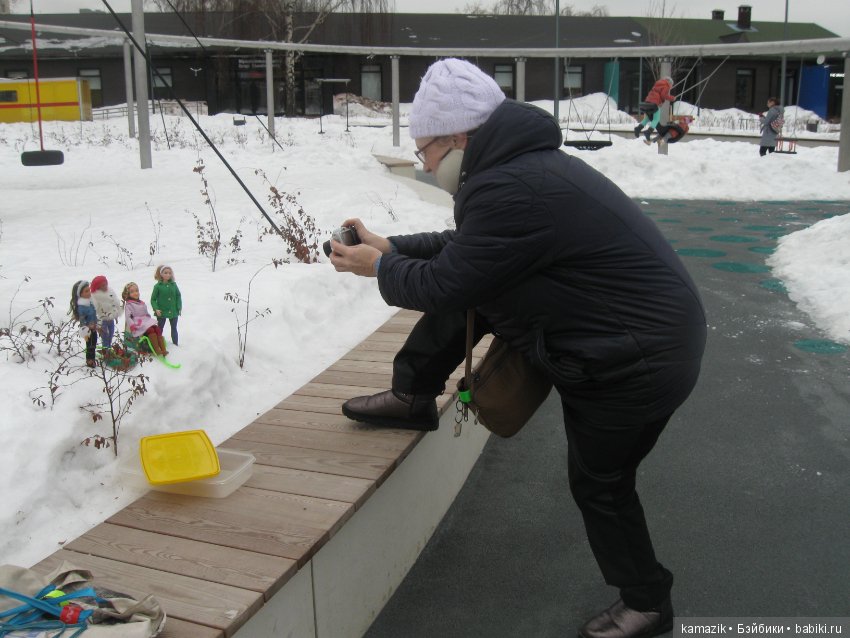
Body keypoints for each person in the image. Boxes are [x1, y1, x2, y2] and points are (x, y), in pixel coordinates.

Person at [329, 58, 706, 638]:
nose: (425, 165)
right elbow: (470, 250)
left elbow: (444, 280)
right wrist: (393, 245)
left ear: (457, 138)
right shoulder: (516, 169)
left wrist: (379, 266)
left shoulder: (512, 186)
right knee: (472, 281)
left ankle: (649, 600)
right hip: (627, 332)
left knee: (600, 484)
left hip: (636, 359)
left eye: (425, 151)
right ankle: (413, 395)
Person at [121, 282, 168, 357]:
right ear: (128, 294)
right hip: (138, 322)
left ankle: (163, 349)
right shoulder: (129, 305)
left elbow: (146, 313)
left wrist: (149, 319)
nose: (135, 293)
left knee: (156, 329)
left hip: (145, 320)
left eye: (136, 291)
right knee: (151, 330)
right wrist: (132, 326)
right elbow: (128, 317)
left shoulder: (141, 303)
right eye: (132, 292)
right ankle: (157, 349)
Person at [634, 76, 676, 142]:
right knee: (656, 119)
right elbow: (663, 95)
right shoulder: (666, 85)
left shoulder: (657, 84)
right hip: (654, 104)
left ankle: (638, 129)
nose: (671, 87)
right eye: (671, 85)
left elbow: (658, 95)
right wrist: (672, 98)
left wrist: (661, 101)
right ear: (670, 83)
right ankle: (648, 132)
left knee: (647, 118)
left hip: (647, 102)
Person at [150, 265, 182, 347]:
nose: (168, 275)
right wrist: (156, 309)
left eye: (169, 273)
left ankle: (175, 344)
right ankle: (158, 344)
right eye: (165, 273)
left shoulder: (173, 285)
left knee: (174, 328)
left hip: (173, 310)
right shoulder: (157, 286)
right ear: (161, 274)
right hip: (162, 311)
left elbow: (178, 295)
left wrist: (179, 306)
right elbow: (153, 299)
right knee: (160, 328)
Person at [89, 275, 121, 352]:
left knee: (111, 334)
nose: (105, 286)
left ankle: (108, 348)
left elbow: (115, 302)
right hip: (102, 320)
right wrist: (98, 324)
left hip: (110, 318)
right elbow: (95, 311)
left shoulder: (110, 291)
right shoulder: (95, 297)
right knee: (105, 336)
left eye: (105, 284)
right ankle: (106, 351)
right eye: (102, 285)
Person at [70, 280, 98, 367]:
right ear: (80, 294)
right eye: (86, 291)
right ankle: (89, 360)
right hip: (87, 330)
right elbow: (82, 320)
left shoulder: (90, 302)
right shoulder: (82, 307)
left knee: (94, 343)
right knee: (89, 345)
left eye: (89, 290)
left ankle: (92, 358)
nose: (89, 292)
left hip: (93, 327)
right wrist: (88, 326)